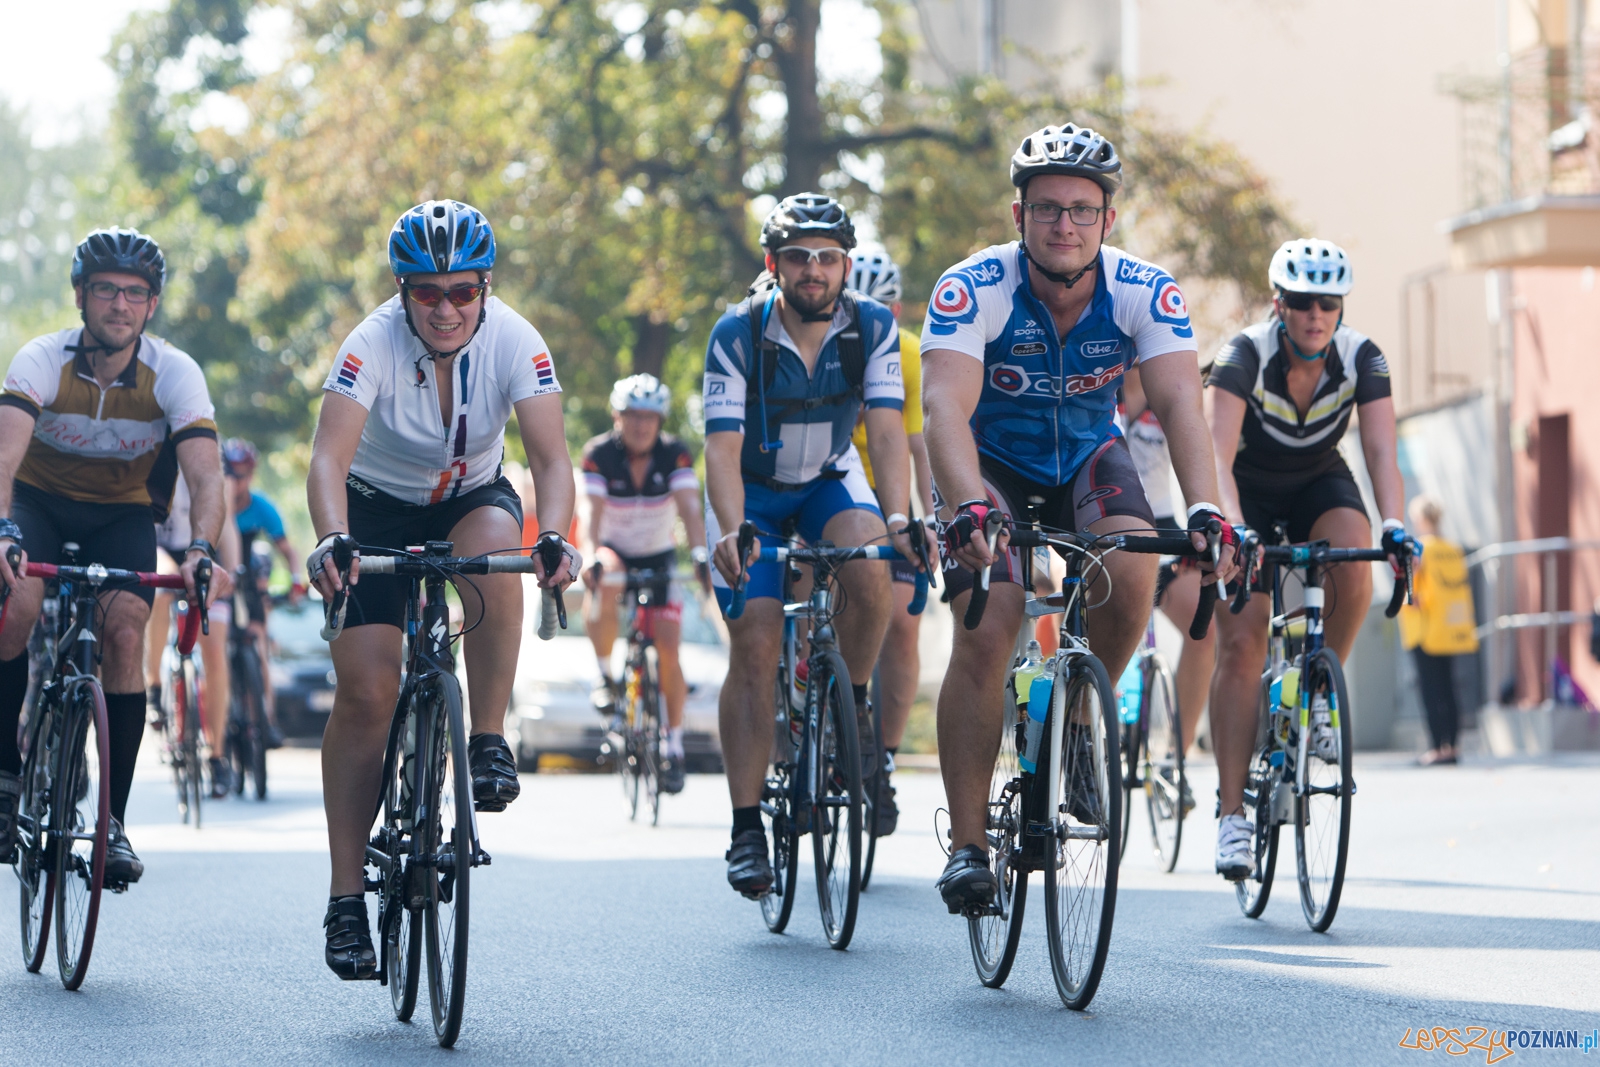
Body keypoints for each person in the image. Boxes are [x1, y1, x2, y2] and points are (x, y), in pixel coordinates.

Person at [920, 123, 1238, 914]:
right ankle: (967, 846)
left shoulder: (1145, 289)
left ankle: (1084, 715)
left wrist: (1206, 509)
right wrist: (964, 510)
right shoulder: (972, 286)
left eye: (1083, 210)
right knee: (989, 624)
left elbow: (1179, 408)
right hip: (986, 466)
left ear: (1109, 218)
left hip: (1087, 462)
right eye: (1049, 209)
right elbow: (943, 409)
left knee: (1134, 567)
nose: (1065, 225)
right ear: (1019, 213)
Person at [305, 200, 579, 979]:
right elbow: (327, 459)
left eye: (464, 290)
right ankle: (345, 897)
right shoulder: (370, 344)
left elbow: (551, 460)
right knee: (366, 693)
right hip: (374, 507)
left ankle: (488, 736)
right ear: (403, 292)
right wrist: (332, 537)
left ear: (485, 288)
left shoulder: (517, 340)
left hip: (471, 498)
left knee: (502, 550)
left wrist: (556, 533)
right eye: (428, 292)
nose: (448, 307)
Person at [703, 193, 917, 898]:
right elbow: (722, 447)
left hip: (828, 478)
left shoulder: (873, 326)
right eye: (798, 257)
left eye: (828, 257)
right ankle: (743, 827)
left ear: (846, 265)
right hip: (753, 490)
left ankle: (850, 701)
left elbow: (885, 433)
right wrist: (733, 528)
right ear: (774, 265)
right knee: (757, 643)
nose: (813, 269)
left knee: (873, 561)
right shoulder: (737, 331)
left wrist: (901, 516)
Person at [0, 227, 224, 885]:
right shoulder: (42, 359)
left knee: (126, 629)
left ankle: (113, 822)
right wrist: (4, 531)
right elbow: (5, 458)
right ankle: (6, 780)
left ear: (151, 305)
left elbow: (206, 478)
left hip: (124, 513)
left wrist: (202, 547)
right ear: (80, 296)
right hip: (39, 504)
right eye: (105, 290)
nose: (119, 305)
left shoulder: (174, 372)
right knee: (15, 608)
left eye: (134, 293)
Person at [1206, 238, 1408, 880]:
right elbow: (1215, 454)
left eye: (1327, 303)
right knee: (1242, 644)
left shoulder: (1362, 358)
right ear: (1279, 305)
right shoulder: (1243, 354)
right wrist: (1234, 529)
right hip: (1249, 489)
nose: (1315, 314)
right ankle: (1232, 816)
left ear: (1340, 309)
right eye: (1301, 302)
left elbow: (1380, 453)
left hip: (1320, 480)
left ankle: (1321, 686)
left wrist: (1397, 524)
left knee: (1354, 555)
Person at [580, 373, 711, 796]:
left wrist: (699, 553)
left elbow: (690, 507)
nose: (641, 425)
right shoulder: (599, 453)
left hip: (658, 555)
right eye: (633, 416)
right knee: (607, 571)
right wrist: (590, 554)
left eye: (649, 417)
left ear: (660, 420)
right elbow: (591, 512)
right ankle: (605, 677)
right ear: (617, 416)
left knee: (669, 650)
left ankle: (672, 748)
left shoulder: (675, 453)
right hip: (614, 548)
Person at [847, 249, 939, 837]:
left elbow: (919, 442)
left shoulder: (909, 353)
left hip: (889, 491)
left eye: (876, 308)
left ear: (896, 310)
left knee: (902, 625)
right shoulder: (823, 342)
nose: (863, 320)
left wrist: (930, 517)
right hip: (829, 485)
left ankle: (880, 756)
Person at [1121, 364, 1213, 780]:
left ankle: (1177, 754)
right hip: (1108, 520)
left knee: (1205, 627)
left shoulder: (1175, 380)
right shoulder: (1100, 376)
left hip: (1163, 524)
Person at [147, 469, 241, 797]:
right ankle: (154, 687)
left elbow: (226, 525)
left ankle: (217, 755)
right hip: (159, 550)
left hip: (203, 558)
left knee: (215, 653)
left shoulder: (212, 462)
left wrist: (234, 571)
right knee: (160, 590)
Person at [223, 437, 305, 747]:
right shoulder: (215, 503)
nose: (237, 482)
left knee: (259, 647)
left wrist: (295, 582)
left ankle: (266, 719)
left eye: (243, 475)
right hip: (220, 579)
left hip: (246, 583)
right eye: (231, 474)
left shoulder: (261, 506)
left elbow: (287, 550)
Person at [1399, 494, 1477, 766]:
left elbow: (1412, 589)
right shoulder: (1453, 549)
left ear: (1420, 518)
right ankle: (1452, 747)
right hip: (1449, 628)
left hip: (1424, 628)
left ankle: (1436, 747)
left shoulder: (1420, 549)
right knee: (1449, 688)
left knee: (1431, 690)